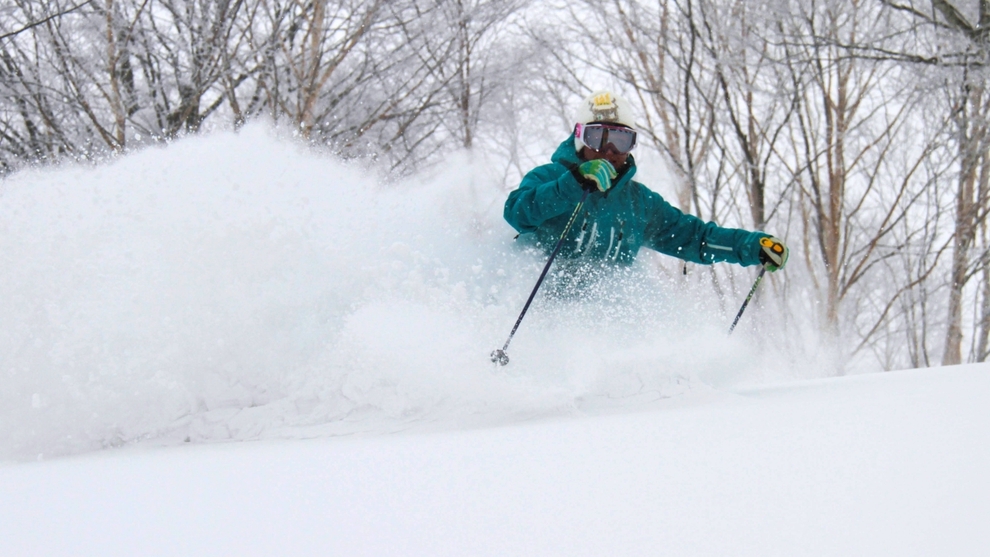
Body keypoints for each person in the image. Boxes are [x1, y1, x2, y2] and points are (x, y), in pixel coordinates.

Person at [503, 90, 788, 277]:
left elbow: (695, 238)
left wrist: (751, 247)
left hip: (599, 326)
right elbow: (517, 213)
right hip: (539, 310)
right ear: (579, 138)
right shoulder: (549, 178)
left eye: (620, 140)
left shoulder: (638, 203)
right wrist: (573, 184)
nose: (609, 151)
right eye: (597, 138)